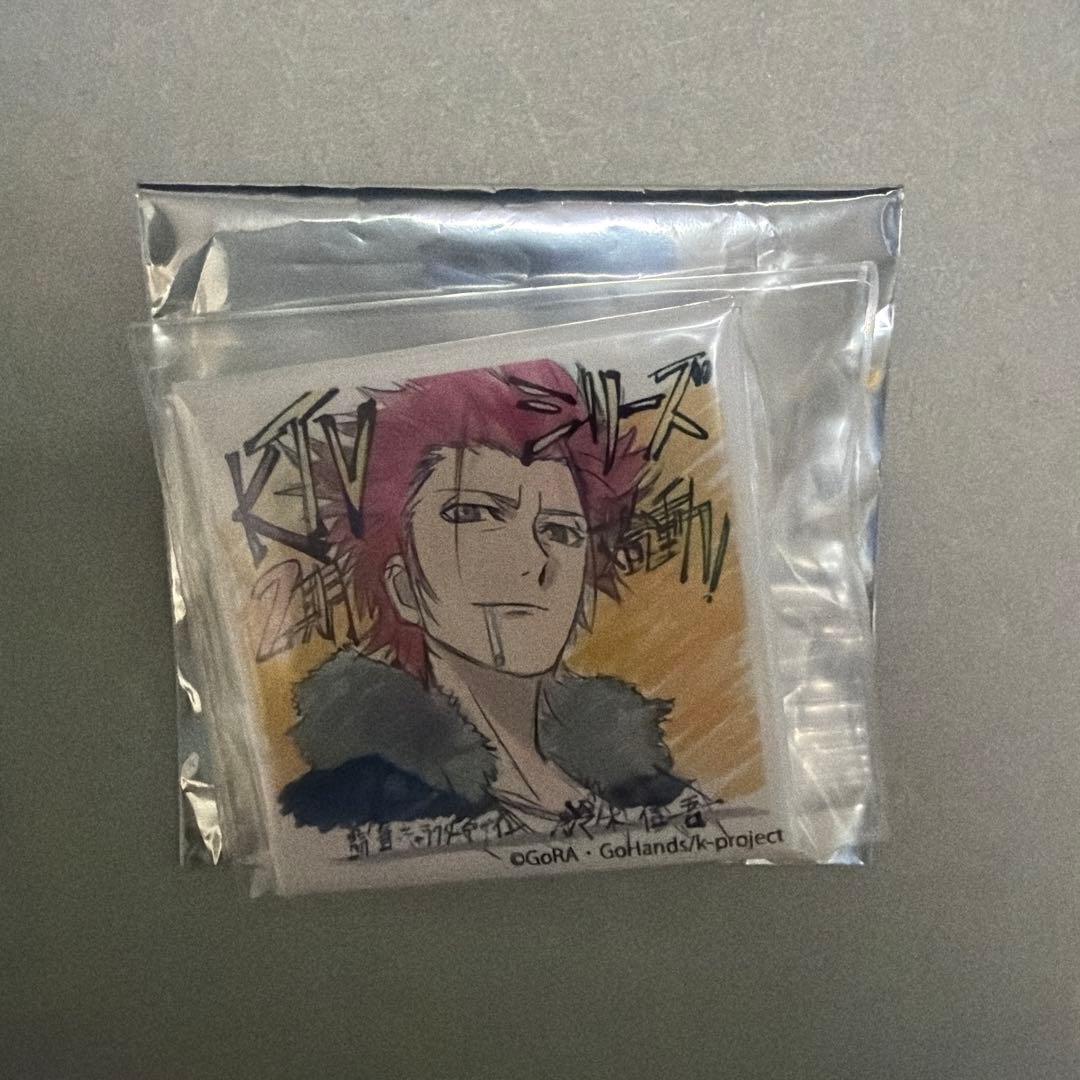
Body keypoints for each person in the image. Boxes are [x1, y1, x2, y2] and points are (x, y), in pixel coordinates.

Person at [279, 359, 688, 833]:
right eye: (472, 515)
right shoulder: (351, 810)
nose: (533, 560)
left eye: (561, 530)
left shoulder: (651, 793)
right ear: (403, 585)